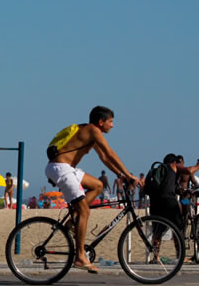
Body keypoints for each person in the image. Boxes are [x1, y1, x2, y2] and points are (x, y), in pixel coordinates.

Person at [45, 106, 138, 274]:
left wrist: (120, 174)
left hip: (67, 169)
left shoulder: (91, 133)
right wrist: (128, 174)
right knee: (85, 212)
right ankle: (80, 257)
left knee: (98, 186)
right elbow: (110, 153)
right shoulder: (93, 130)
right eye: (110, 122)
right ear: (101, 122)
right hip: (61, 168)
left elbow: (104, 158)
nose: (112, 125)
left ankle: (73, 219)